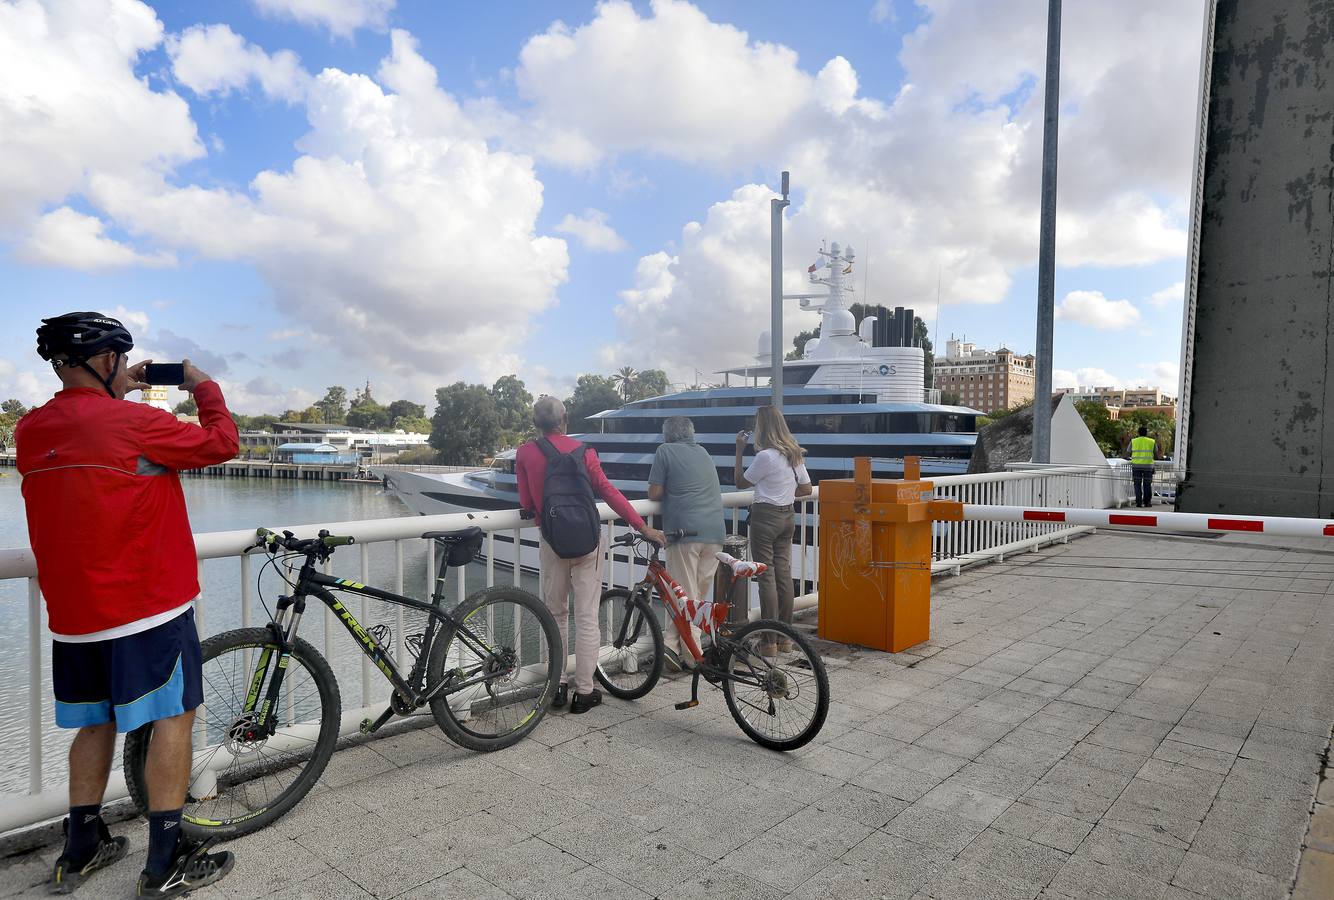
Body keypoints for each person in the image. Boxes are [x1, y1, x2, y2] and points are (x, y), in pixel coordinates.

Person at [17, 312, 239, 898]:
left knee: (95, 724)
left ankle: (81, 848)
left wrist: (119, 386)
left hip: (74, 617)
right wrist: (199, 383)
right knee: (174, 720)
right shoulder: (135, 423)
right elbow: (222, 442)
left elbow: (86, 435)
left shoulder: (31, 429)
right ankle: (163, 862)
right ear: (108, 359)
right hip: (147, 608)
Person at [516, 396, 665, 714]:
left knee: (555, 614)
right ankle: (584, 692)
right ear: (565, 418)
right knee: (586, 618)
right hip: (589, 542)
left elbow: (527, 502)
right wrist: (642, 527)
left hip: (552, 542)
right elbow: (609, 491)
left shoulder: (527, 453)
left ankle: (556, 686)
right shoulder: (586, 452)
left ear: (535, 424)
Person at [648, 416, 725, 670]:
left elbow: (654, 493)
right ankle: (671, 646)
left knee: (686, 597)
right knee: (696, 597)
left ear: (667, 434)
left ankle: (694, 657)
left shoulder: (664, 451)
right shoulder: (703, 452)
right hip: (715, 534)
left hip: (685, 533)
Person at [734, 406, 811, 654]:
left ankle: (769, 643)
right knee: (784, 575)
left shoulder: (765, 456)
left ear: (763, 427)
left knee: (766, 576)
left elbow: (740, 483)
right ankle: (786, 639)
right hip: (788, 516)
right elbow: (807, 489)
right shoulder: (793, 453)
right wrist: (787, 493)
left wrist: (738, 451)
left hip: (765, 518)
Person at [1129, 424, 1156, 508]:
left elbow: (1128, 450)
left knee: (1137, 484)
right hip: (1148, 466)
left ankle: (1139, 502)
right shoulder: (1152, 441)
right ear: (1146, 433)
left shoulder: (1133, 441)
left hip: (1136, 466)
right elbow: (1156, 451)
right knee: (1147, 484)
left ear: (1138, 433)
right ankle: (1147, 502)